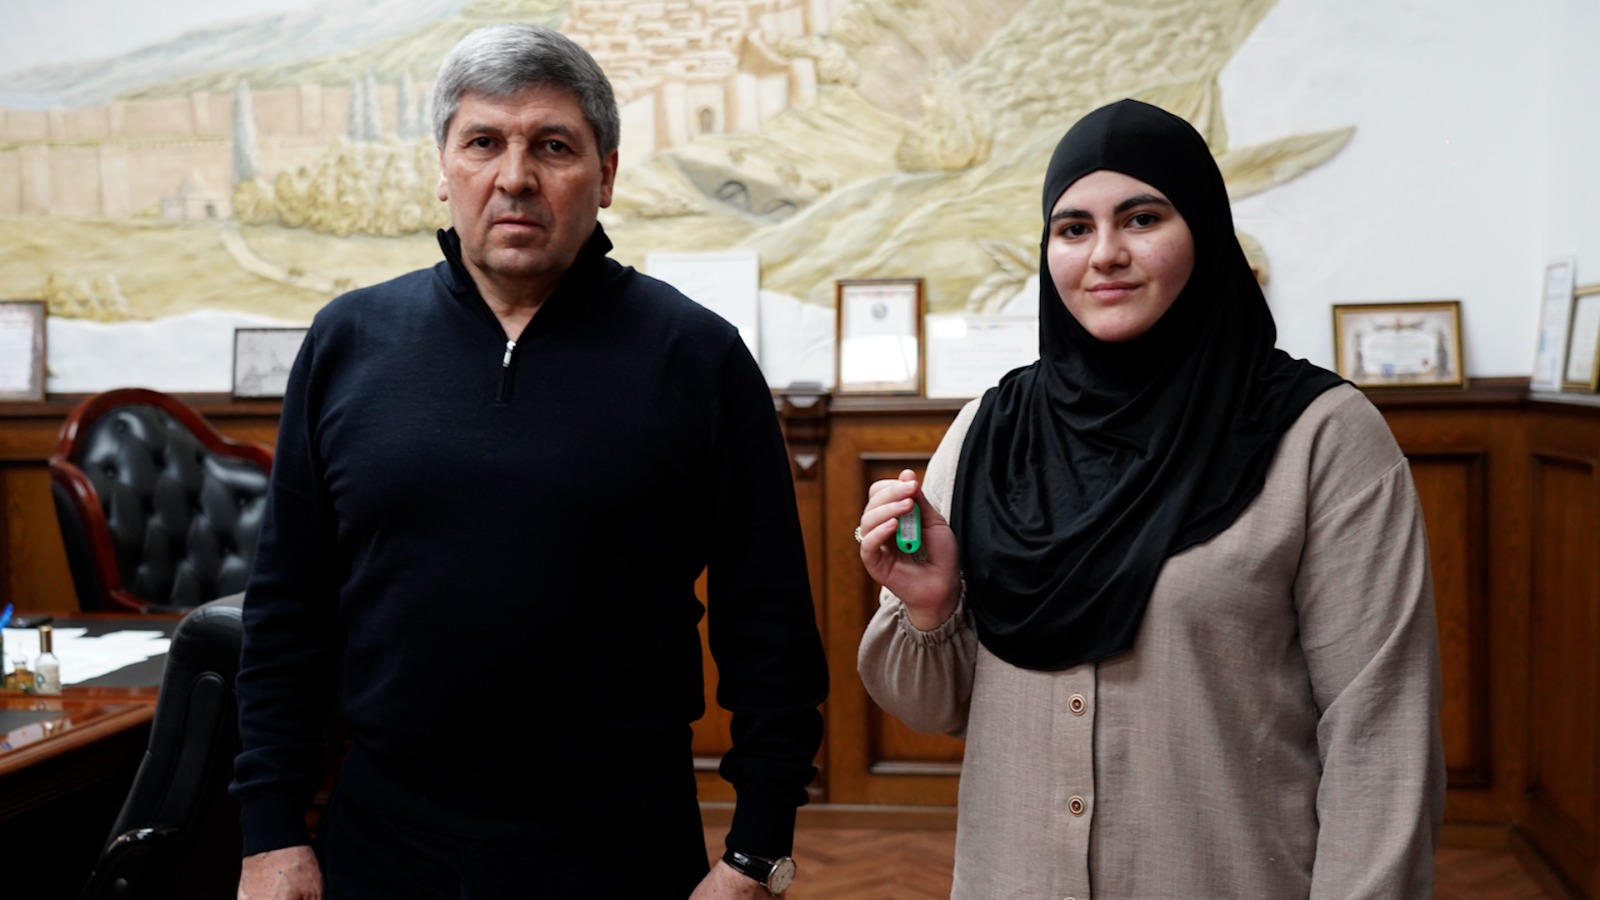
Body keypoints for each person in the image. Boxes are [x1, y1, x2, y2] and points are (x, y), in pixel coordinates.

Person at [232, 23, 827, 900]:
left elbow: (769, 625)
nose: (514, 177)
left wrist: (757, 852)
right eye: (483, 143)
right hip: (386, 842)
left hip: (621, 847)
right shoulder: (347, 342)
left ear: (607, 175)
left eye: (553, 146)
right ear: (444, 170)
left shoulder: (696, 357)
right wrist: (270, 830)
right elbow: (287, 608)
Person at [856, 99, 1443, 898]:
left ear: (1204, 230)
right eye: (1074, 228)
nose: (1105, 254)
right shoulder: (988, 434)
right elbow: (929, 709)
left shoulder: (1321, 437)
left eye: (1141, 218)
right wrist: (931, 609)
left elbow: (1382, 737)